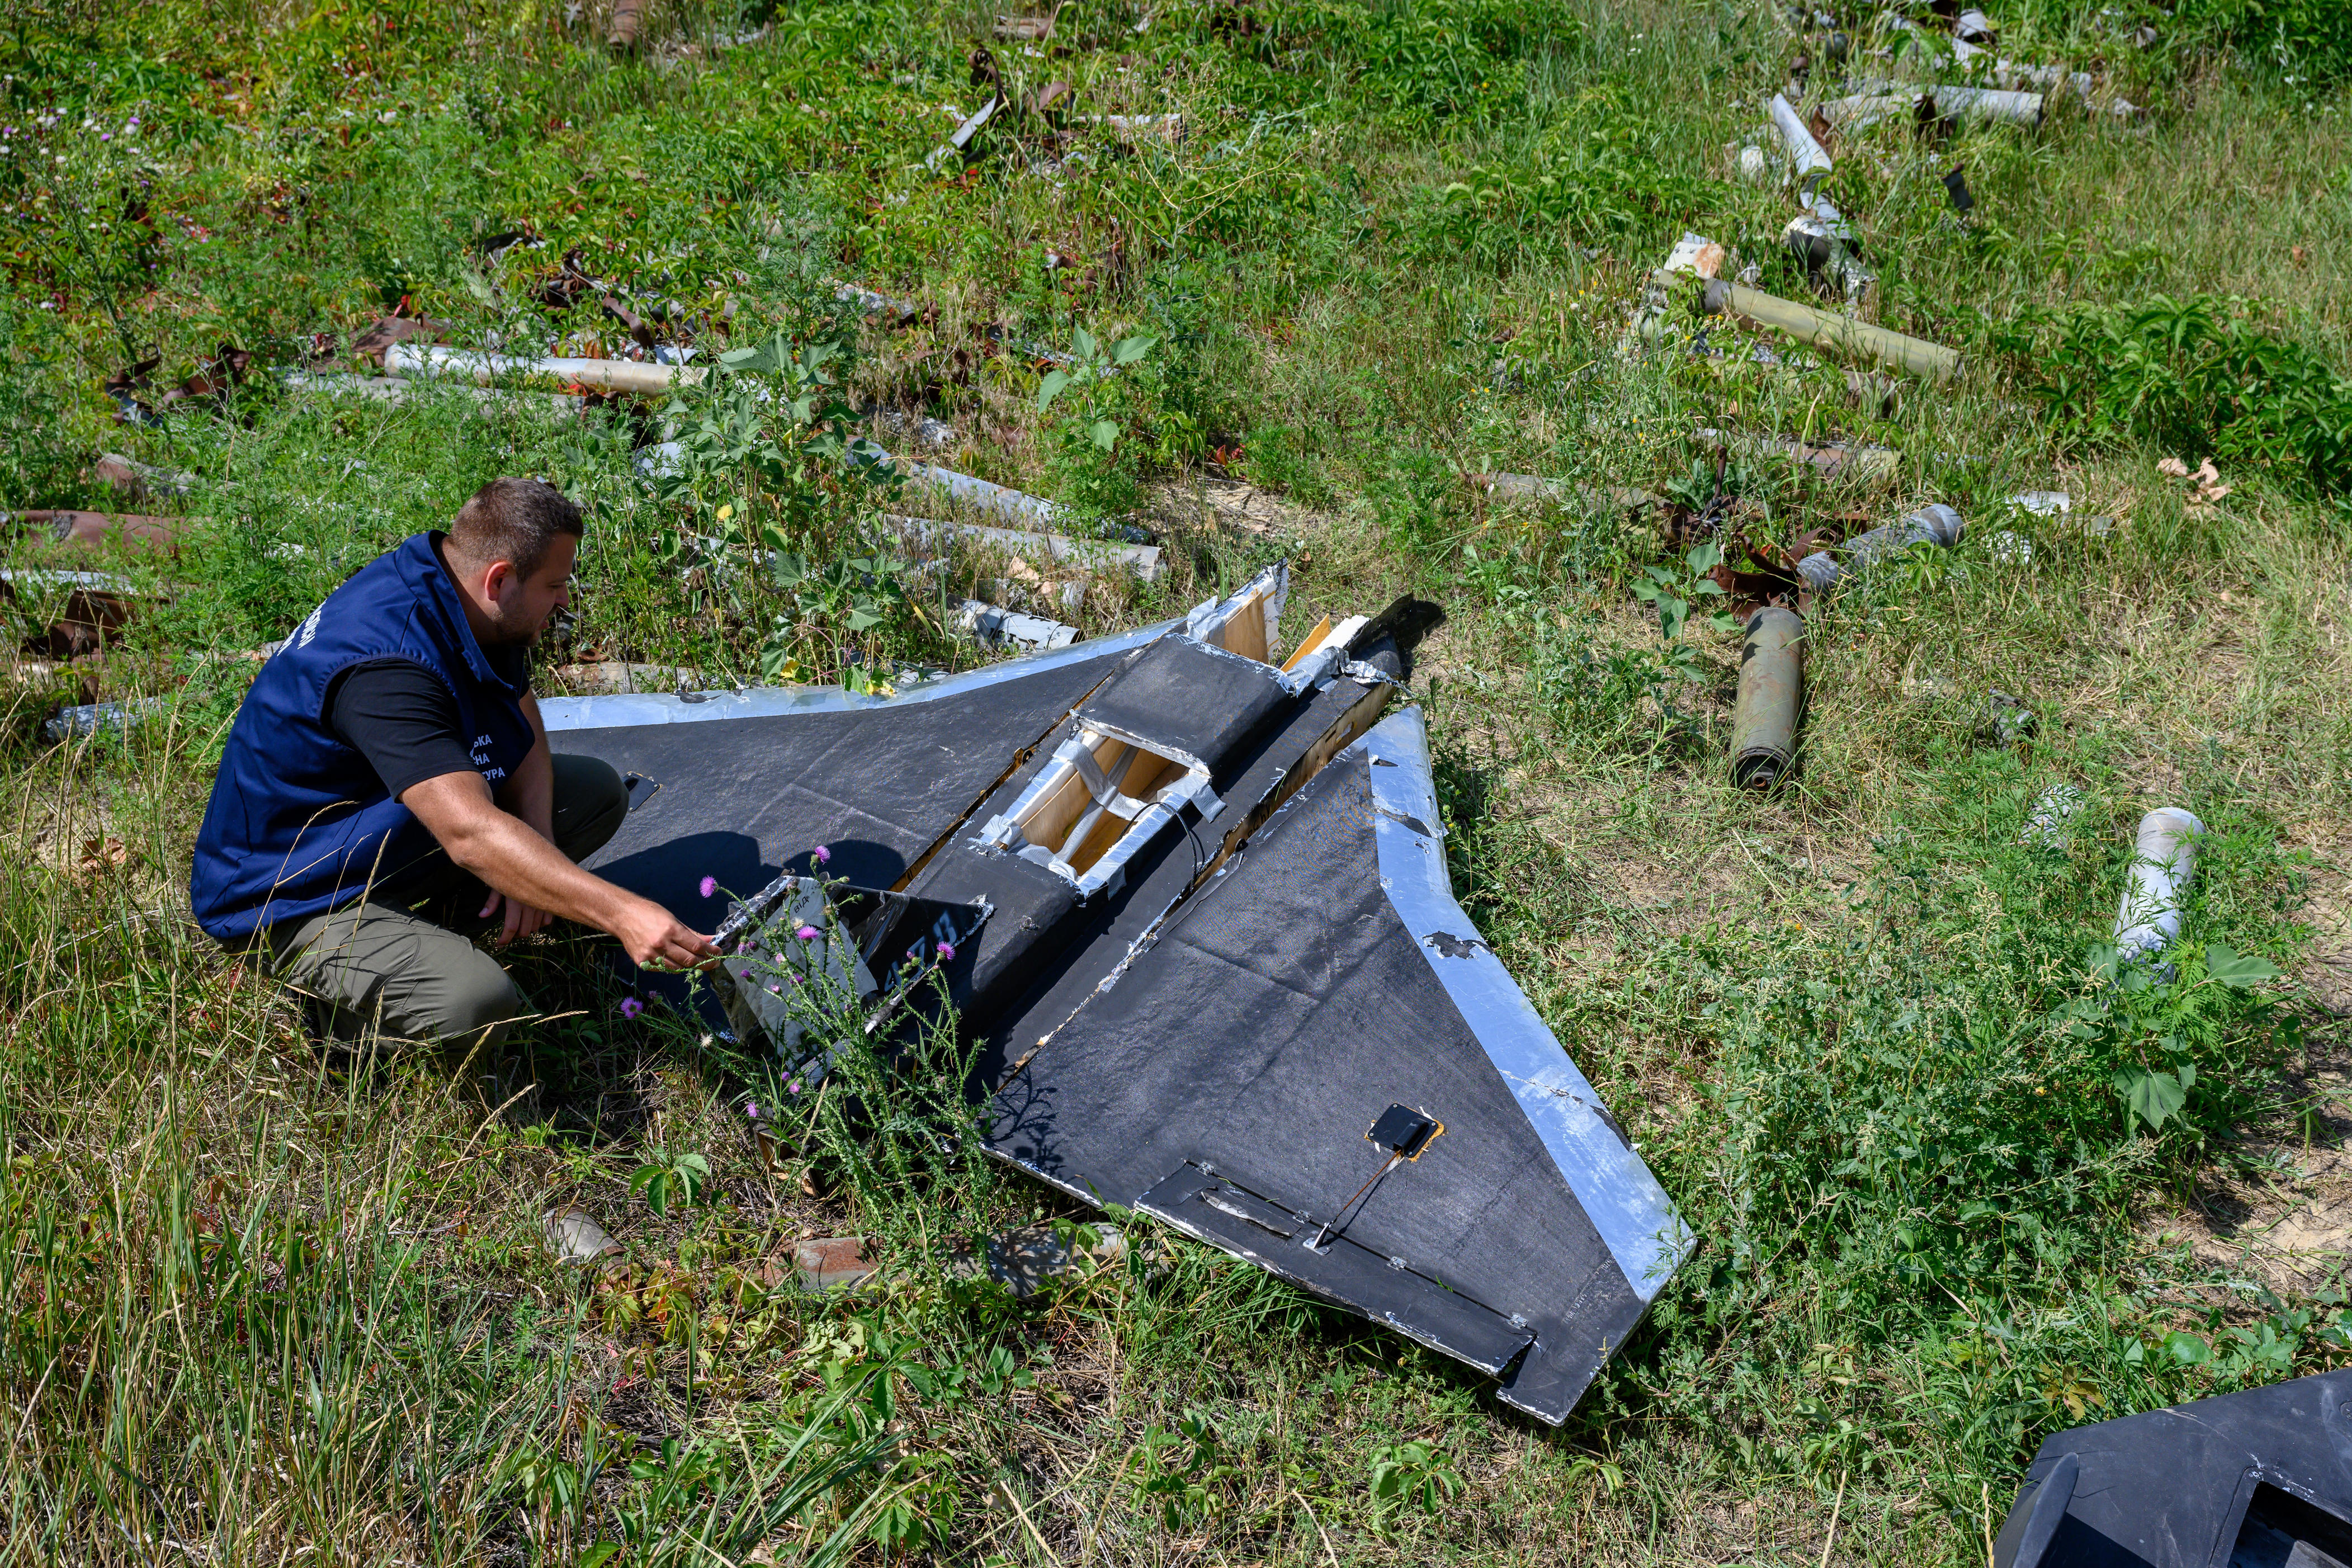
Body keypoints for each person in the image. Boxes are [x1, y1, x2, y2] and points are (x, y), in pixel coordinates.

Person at [191, 478, 716, 1050]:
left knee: (593, 792)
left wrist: (533, 859)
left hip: (380, 829)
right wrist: (622, 913)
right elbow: (469, 833)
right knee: (477, 1003)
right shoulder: (387, 668)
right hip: (293, 890)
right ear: (500, 578)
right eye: (557, 585)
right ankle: (331, 1021)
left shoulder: (468, 596)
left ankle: (427, 931)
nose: (567, 600)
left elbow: (519, 709)